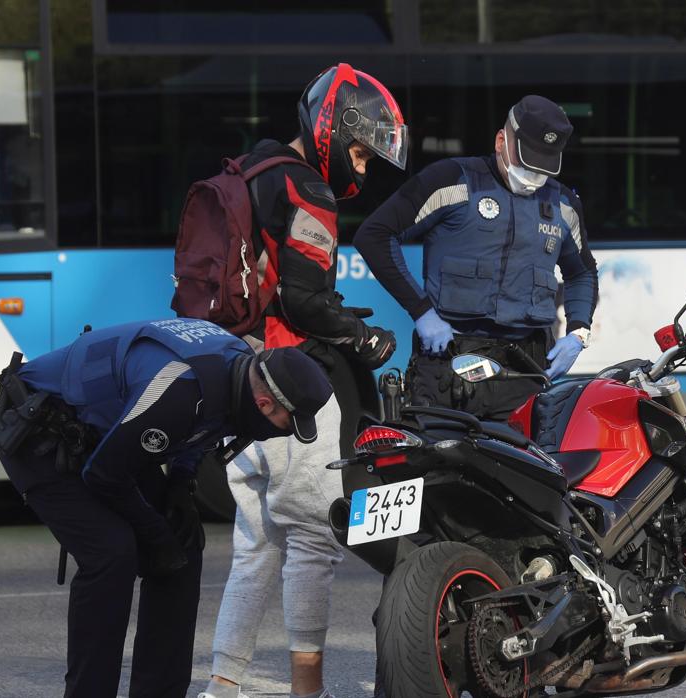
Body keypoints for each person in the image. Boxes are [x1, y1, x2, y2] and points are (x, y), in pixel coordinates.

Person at [201, 63, 408, 698]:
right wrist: (363, 337)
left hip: (239, 380)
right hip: (296, 392)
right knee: (314, 544)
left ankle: (223, 687)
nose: (364, 169)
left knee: (254, 551)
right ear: (334, 129)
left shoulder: (250, 172)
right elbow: (304, 298)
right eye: (361, 153)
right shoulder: (307, 191)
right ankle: (305, 691)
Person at [0, 317, 333, 698]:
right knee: (111, 552)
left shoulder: (240, 367)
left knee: (183, 548)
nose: (287, 431)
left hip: (103, 435)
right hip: (36, 428)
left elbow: (202, 430)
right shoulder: (180, 388)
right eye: (289, 422)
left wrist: (180, 486)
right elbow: (104, 475)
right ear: (265, 402)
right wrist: (154, 533)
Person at [355, 95, 600, 421]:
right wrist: (421, 312)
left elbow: (582, 272)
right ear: (501, 140)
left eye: (541, 166)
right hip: (449, 366)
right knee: (439, 467)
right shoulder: (451, 180)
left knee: (523, 470)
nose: (531, 175)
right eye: (526, 161)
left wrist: (578, 333)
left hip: (524, 371)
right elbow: (374, 234)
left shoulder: (563, 204)